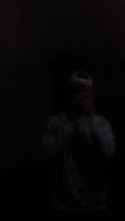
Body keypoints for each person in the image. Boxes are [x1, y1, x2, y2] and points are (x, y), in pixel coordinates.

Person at [42, 71, 116, 211]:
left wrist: (90, 117)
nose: (79, 96)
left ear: (92, 95)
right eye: (75, 90)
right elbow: (48, 153)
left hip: (95, 203)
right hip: (63, 203)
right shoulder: (55, 122)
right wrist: (72, 124)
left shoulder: (101, 123)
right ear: (68, 94)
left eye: (84, 91)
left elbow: (108, 152)